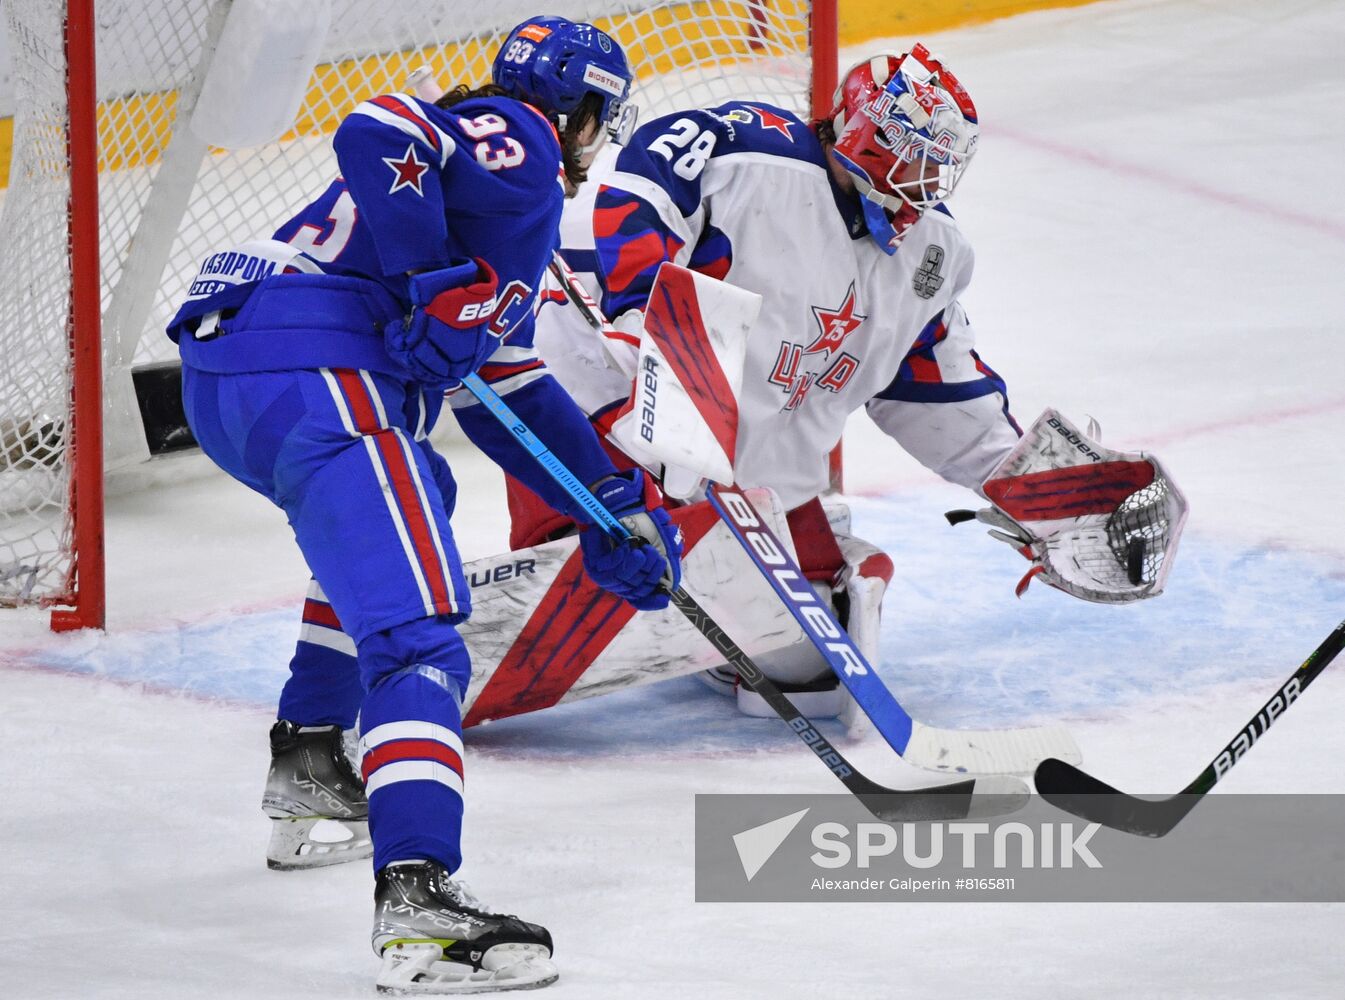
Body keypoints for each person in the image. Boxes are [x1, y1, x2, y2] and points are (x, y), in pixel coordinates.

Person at [166, 16, 680, 995]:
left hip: (234, 377)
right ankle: (420, 904)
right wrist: (432, 282)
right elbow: (374, 127)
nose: (590, 140)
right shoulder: (518, 137)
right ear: (573, 106)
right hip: (319, 372)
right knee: (418, 643)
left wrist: (608, 504)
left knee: (413, 503)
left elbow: (509, 391)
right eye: (596, 119)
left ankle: (312, 756)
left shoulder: (486, 211)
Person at [516, 45, 1016, 714]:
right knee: (617, 462)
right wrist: (642, 310)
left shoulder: (932, 255)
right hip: (592, 359)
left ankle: (742, 579)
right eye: (917, 154)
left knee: (811, 668)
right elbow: (652, 170)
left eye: (940, 163)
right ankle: (570, 535)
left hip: (746, 458)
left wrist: (1042, 489)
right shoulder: (754, 155)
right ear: (867, 132)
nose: (929, 179)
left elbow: (941, 398)